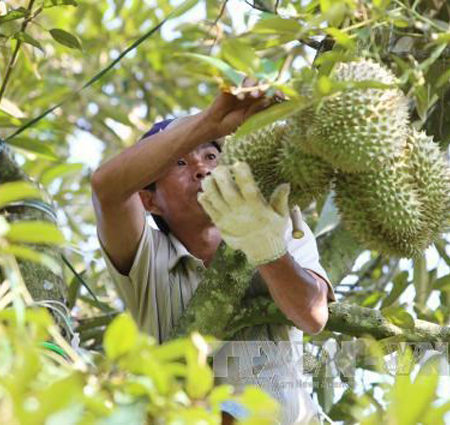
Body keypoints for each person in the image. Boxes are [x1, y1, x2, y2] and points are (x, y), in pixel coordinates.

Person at [91, 78, 336, 424]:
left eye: (210, 155)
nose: (202, 168)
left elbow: (313, 315)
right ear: (150, 201)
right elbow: (106, 188)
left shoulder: (276, 222)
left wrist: (265, 247)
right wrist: (210, 120)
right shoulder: (145, 258)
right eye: (179, 163)